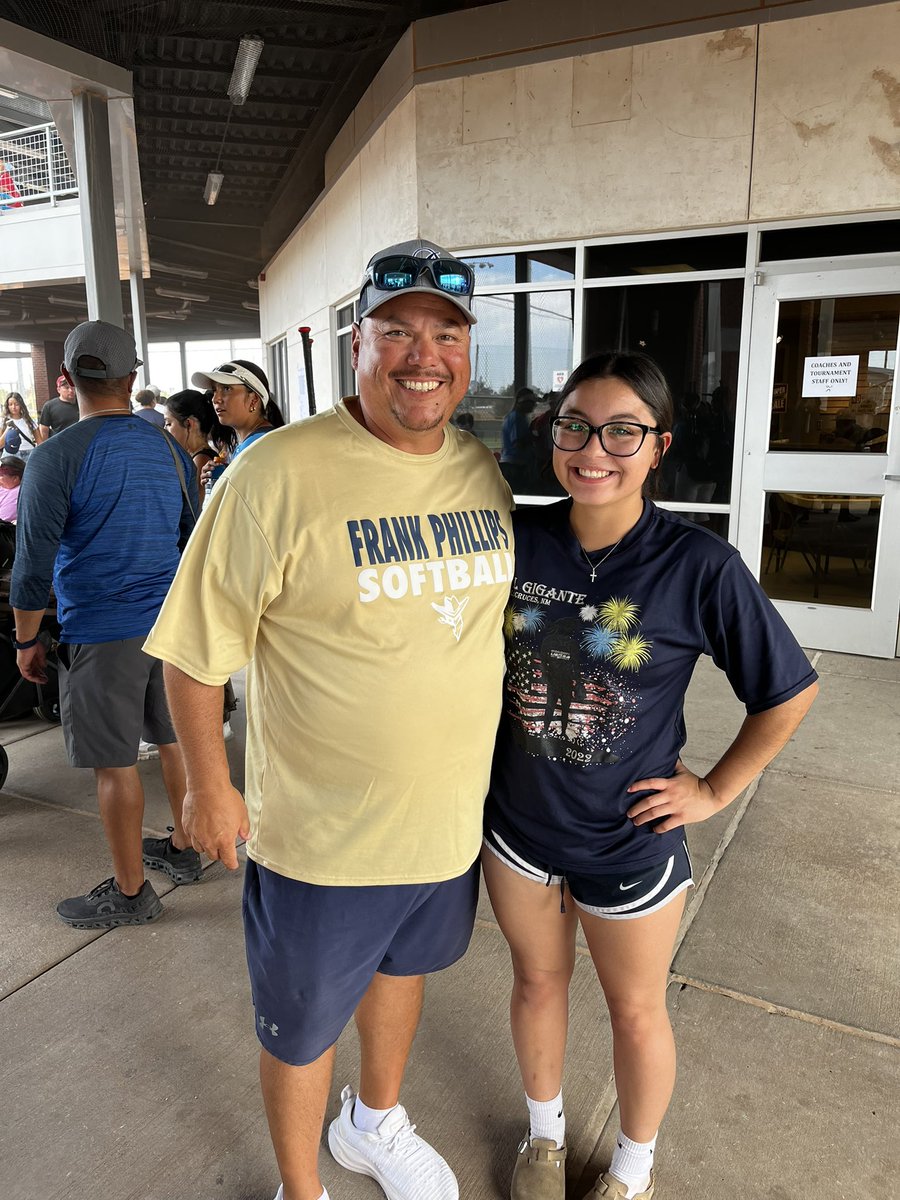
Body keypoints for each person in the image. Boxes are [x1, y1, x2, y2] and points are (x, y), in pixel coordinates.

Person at [145, 238, 514, 1200]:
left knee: (405, 974)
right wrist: (209, 785)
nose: (421, 355)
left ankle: (374, 1122)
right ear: (359, 339)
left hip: (442, 823)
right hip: (318, 837)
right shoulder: (275, 473)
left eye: (444, 333)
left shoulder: (480, 471)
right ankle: (299, 1189)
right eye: (397, 331)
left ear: (468, 351)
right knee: (303, 1027)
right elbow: (192, 653)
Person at [482, 351, 818, 1200]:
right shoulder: (518, 541)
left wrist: (711, 790)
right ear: (552, 436)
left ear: (659, 444)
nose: (595, 449)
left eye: (623, 431)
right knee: (535, 980)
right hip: (518, 828)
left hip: (628, 842)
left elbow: (787, 692)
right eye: (575, 426)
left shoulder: (697, 564)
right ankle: (546, 1139)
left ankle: (633, 1171)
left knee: (635, 1010)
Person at [11, 320, 200, 927]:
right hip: (170, 629)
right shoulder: (171, 449)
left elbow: (32, 565)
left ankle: (129, 891)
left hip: (101, 628)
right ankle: (186, 848)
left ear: (68, 381)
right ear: (133, 378)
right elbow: (191, 540)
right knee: (175, 741)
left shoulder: (54, 458)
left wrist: (26, 639)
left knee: (114, 763)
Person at [500, 387, 539, 492]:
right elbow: (518, 443)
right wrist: (534, 438)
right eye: (530, 402)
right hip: (515, 466)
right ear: (521, 403)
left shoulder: (514, 417)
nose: (533, 405)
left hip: (513, 465)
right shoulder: (517, 418)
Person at [0, 392, 43, 459]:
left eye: (16, 404)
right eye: (10, 404)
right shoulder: (3, 422)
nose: (13, 407)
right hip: (11, 455)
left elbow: (40, 443)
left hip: (29, 453)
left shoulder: (30, 421)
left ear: (21, 405)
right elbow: (0, 444)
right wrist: (7, 429)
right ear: (7, 406)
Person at [0, 452, 25, 522]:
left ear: (15, 478)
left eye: (1, 476)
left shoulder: (17, 495)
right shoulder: (5, 486)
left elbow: (3, 519)